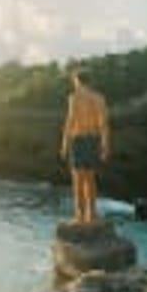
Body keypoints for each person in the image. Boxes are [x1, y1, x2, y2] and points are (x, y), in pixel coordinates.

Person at [60, 68, 110, 224]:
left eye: (74, 81)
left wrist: (64, 144)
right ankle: (92, 215)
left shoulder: (74, 97)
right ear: (89, 81)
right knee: (90, 179)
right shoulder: (99, 98)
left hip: (78, 139)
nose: (73, 84)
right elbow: (104, 123)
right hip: (94, 139)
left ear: (77, 81)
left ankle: (79, 216)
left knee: (78, 180)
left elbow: (70, 121)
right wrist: (105, 145)